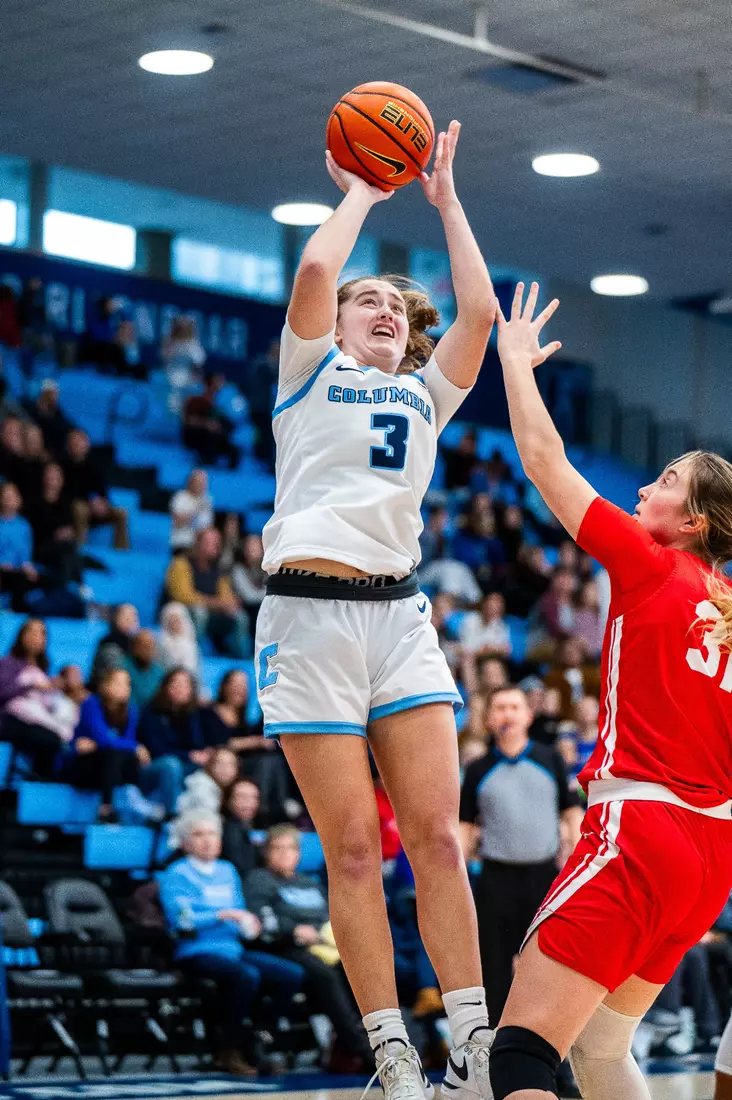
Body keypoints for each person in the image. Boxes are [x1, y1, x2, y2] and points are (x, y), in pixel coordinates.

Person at [255, 122, 496, 1100]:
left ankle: (477, 1041)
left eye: (396, 302)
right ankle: (391, 1051)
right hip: (308, 620)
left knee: (436, 837)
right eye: (369, 301)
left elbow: (477, 308)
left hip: (398, 616)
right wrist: (364, 185)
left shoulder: (427, 397)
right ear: (338, 323)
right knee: (353, 847)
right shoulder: (309, 370)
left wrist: (445, 202)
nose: (383, 307)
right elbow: (318, 260)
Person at [486, 281, 732, 1100]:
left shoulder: (652, 562)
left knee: (519, 1051)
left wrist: (516, 364)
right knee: (598, 1049)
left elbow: (544, 461)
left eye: (663, 479)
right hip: (712, 856)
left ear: (690, 521)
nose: (645, 488)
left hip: (643, 828)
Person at [459, 685, 582, 1025]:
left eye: (515, 707)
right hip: (496, 879)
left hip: (544, 878)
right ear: (488, 718)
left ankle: (555, 1061)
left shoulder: (550, 759)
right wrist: (458, 875)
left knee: (549, 966)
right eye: (500, 708)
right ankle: (495, 1051)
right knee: (494, 969)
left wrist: (574, 855)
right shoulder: (478, 769)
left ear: (529, 715)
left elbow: (571, 812)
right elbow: (465, 826)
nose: (507, 714)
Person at [160, 809, 304, 1075]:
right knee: (246, 976)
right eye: (199, 834)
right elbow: (182, 920)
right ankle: (229, 1049)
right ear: (185, 842)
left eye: (212, 833)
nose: (207, 839)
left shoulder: (227, 871)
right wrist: (221, 915)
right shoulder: (176, 873)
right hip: (196, 950)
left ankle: (258, 1040)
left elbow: (240, 911)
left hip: (233, 949)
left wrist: (249, 924)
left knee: (290, 974)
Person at [247, 824, 375, 1071]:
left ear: (298, 853)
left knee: (363, 969)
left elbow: (330, 915)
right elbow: (263, 920)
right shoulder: (259, 880)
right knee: (324, 975)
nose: (285, 853)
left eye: (291, 848)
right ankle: (361, 1050)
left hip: (325, 946)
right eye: (278, 848)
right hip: (284, 947)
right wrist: (294, 930)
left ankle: (359, 1042)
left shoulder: (309, 883)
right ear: (267, 852)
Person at [70, 667, 163, 822]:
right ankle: (107, 807)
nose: (124, 688)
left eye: (127, 684)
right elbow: (103, 738)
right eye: (118, 683)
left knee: (123, 756)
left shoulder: (130, 709)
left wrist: (105, 745)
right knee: (113, 754)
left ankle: (128, 798)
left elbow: (120, 741)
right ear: (105, 685)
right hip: (85, 766)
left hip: (112, 766)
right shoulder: (91, 703)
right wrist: (134, 746)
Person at [201, 669, 291, 824]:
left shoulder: (242, 718)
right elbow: (220, 744)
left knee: (275, 759)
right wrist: (254, 742)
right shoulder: (209, 712)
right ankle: (260, 810)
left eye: (244, 685)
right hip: (221, 764)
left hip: (243, 764)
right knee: (267, 762)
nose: (240, 689)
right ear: (224, 686)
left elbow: (260, 734)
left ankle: (279, 811)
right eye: (236, 684)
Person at [0, 618, 72, 775]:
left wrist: (53, 688)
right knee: (49, 739)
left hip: (37, 717)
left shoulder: (43, 668)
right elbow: (2, 692)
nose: (36, 637)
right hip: (10, 720)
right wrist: (31, 686)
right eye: (32, 632)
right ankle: (37, 779)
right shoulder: (8, 663)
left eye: (41, 634)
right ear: (21, 635)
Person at [165, 527, 250, 658]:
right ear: (197, 543)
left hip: (211, 613)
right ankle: (195, 654)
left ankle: (242, 658)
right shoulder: (181, 563)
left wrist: (230, 604)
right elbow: (182, 595)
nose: (214, 546)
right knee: (200, 612)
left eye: (216, 543)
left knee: (239, 616)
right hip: (181, 613)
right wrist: (217, 603)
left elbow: (225, 595)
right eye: (208, 542)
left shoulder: (218, 569)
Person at [137, 669, 209, 814]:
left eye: (186, 685)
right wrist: (188, 755)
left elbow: (198, 745)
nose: (180, 689)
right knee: (171, 765)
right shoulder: (152, 712)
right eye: (176, 684)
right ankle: (171, 815)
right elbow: (157, 749)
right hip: (153, 767)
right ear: (165, 687)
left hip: (185, 766)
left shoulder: (193, 715)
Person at [63, 429, 129, 549]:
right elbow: (66, 492)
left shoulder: (94, 465)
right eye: (75, 442)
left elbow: (102, 490)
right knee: (81, 509)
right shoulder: (62, 466)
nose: (78, 445)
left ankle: (121, 554)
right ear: (68, 445)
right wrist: (90, 501)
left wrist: (103, 502)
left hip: (95, 508)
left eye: (81, 441)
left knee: (121, 513)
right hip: (71, 508)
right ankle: (80, 549)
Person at [182, 373, 240, 470]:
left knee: (234, 449)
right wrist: (206, 424)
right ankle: (206, 467)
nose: (220, 386)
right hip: (195, 435)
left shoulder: (219, 405)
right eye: (217, 383)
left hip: (215, 438)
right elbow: (188, 420)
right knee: (210, 436)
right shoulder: (195, 400)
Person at [0, 482, 39, 611]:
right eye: (6, 496)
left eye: (12, 496)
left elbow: (25, 554)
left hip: (18, 572)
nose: (9, 499)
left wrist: (27, 566)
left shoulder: (24, 526)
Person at [176, 745, 240, 817]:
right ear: (210, 766)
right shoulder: (201, 785)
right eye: (220, 763)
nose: (225, 769)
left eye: (231, 765)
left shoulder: (222, 789)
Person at [221, 777, 263, 881]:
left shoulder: (243, 827)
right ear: (228, 800)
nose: (249, 802)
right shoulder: (230, 830)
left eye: (254, 797)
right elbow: (243, 871)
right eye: (242, 797)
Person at [90, 603, 139, 688]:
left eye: (135, 617)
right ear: (117, 618)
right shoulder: (108, 643)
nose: (133, 621)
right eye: (128, 617)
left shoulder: (134, 643)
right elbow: (114, 673)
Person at [162, 315, 206, 408]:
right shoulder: (170, 342)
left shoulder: (194, 344)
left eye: (186, 328)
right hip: (171, 379)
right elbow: (164, 356)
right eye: (181, 328)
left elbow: (199, 361)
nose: (183, 330)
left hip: (188, 382)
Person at [23, 380, 76, 456]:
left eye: (56, 394)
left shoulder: (56, 411)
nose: (55, 397)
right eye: (52, 393)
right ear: (44, 394)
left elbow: (66, 425)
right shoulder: (30, 409)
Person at [169, 469, 214, 554]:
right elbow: (177, 522)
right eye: (199, 482)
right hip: (182, 544)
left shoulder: (207, 499)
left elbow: (208, 526)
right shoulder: (180, 497)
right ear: (191, 482)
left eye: (204, 482)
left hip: (199, 546)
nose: (202, 485)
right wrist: (196, 510)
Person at [158, 602, 201, 682]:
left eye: (178, 620)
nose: (175, 624)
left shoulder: (191, 644)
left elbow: (193, 671)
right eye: (171, 620)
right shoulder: (161, 644)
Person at [123, 629, 164, 709]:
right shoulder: (123, 667)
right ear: (134, 648)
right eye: (144, 646)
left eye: (151, 646)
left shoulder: (159, 672)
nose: (148, 650)